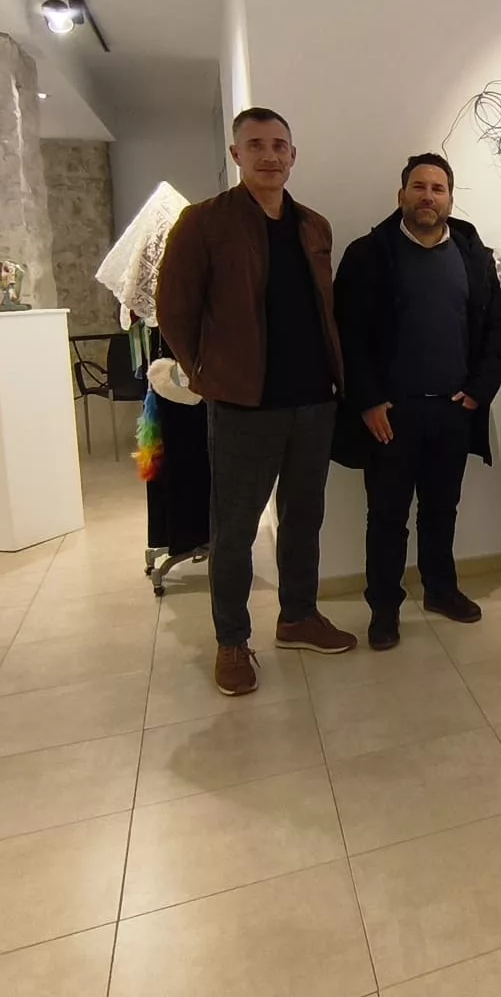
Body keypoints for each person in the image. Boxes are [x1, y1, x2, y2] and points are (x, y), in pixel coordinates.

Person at [157, 107, 357, 696]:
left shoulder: (314, 225)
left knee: (304, 518)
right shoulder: (203, 223)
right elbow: (174, 309)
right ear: (236, 154)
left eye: (280, 145)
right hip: (245, 404)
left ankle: (297, 616)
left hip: (313, 401)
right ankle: (231, 640)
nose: (270, 156)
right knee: (235, 529)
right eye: (257, 145)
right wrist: (204, 371)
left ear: (293, 155)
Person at [332, 154, 501, 650]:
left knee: (441, 509)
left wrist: (478, 391)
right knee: (386, 517)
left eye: (438, 188)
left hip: (453, 412)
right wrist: (367, 402)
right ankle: (384, 609)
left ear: (451, 198)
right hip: (391, 416)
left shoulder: (473, 255)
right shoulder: (368, 254)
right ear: (401, 195)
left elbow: (495, 330)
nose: (428, 196)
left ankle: (440, 589)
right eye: (418, 187)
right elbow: (348, 335)